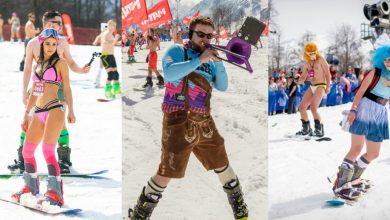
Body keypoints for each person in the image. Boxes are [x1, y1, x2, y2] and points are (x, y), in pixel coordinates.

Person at [129, 16, 248, 220]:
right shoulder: (178, 51)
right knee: (167, 171)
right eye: (200, 34)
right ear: (190, 34)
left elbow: (222, 85)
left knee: (222, 163)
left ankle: (241, 211)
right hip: (177, 119)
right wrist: (199, 60)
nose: (205, 38)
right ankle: (140, 215)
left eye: (209, 35)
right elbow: (169, 73)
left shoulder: (210, 59)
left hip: (204, 121)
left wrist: (218, 63)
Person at [8, 10, 90, 174]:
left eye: (61, 23)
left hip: (57, 89)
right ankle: (23, 160)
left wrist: (81, 70)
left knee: (60, 124)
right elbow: (27, 70)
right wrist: (24, 91)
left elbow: (71, 63)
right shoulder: (32, 43)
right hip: (37, 88)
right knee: (28, 121)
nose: (60, 26)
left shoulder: (62, 42)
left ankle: (64, 161)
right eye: (58, 23)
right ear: (48, 24)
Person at [12, 29, 75, 207]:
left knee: (48, 151)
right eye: (47, 43)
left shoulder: (61, 63)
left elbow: (67, 89)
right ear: (41, 44)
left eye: (53, 44)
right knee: (27, 152)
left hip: (55, 109)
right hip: (38, 111)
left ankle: (56, 193)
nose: (50, 47)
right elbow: (34, 92)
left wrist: (71, 110)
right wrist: (26, 114)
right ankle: (30, 187)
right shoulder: (38, 64)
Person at [332, 46, 390, 201]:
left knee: (373, 153)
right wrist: (353, 110)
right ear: (382, 60)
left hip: (381, 112)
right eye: (387, 59)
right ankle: (341, 184)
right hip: (365, 109)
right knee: (356, 148)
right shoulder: (375, 73)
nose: (389, 63)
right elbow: (361, 91)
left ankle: (351, 178)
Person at [296, 42, 331, 137]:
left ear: (316, 51)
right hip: (312, 86)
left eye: (313, 52)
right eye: (310, 53)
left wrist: (328, 86)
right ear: (307, 54)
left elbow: (327, 73)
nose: (312, 54)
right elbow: (303, 76)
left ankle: (319, 129)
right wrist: (300, 80)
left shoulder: (321, 60)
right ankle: (306, 128)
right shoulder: (307, 63)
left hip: (321, 85)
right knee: (302, 107)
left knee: (313, 107)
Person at [99, 19, 122, 99]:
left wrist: (121, 42)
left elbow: (114, 43)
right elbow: (112, 41)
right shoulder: (106, 33)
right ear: (108, 25)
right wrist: (116, 38)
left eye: (115, 26)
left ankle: (117, 90)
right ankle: (108, 92)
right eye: (113, 25)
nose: (114, 27)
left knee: (116, 74)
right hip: (105, 56)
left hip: (111, 55)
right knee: (111, 75)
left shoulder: (111, 34)